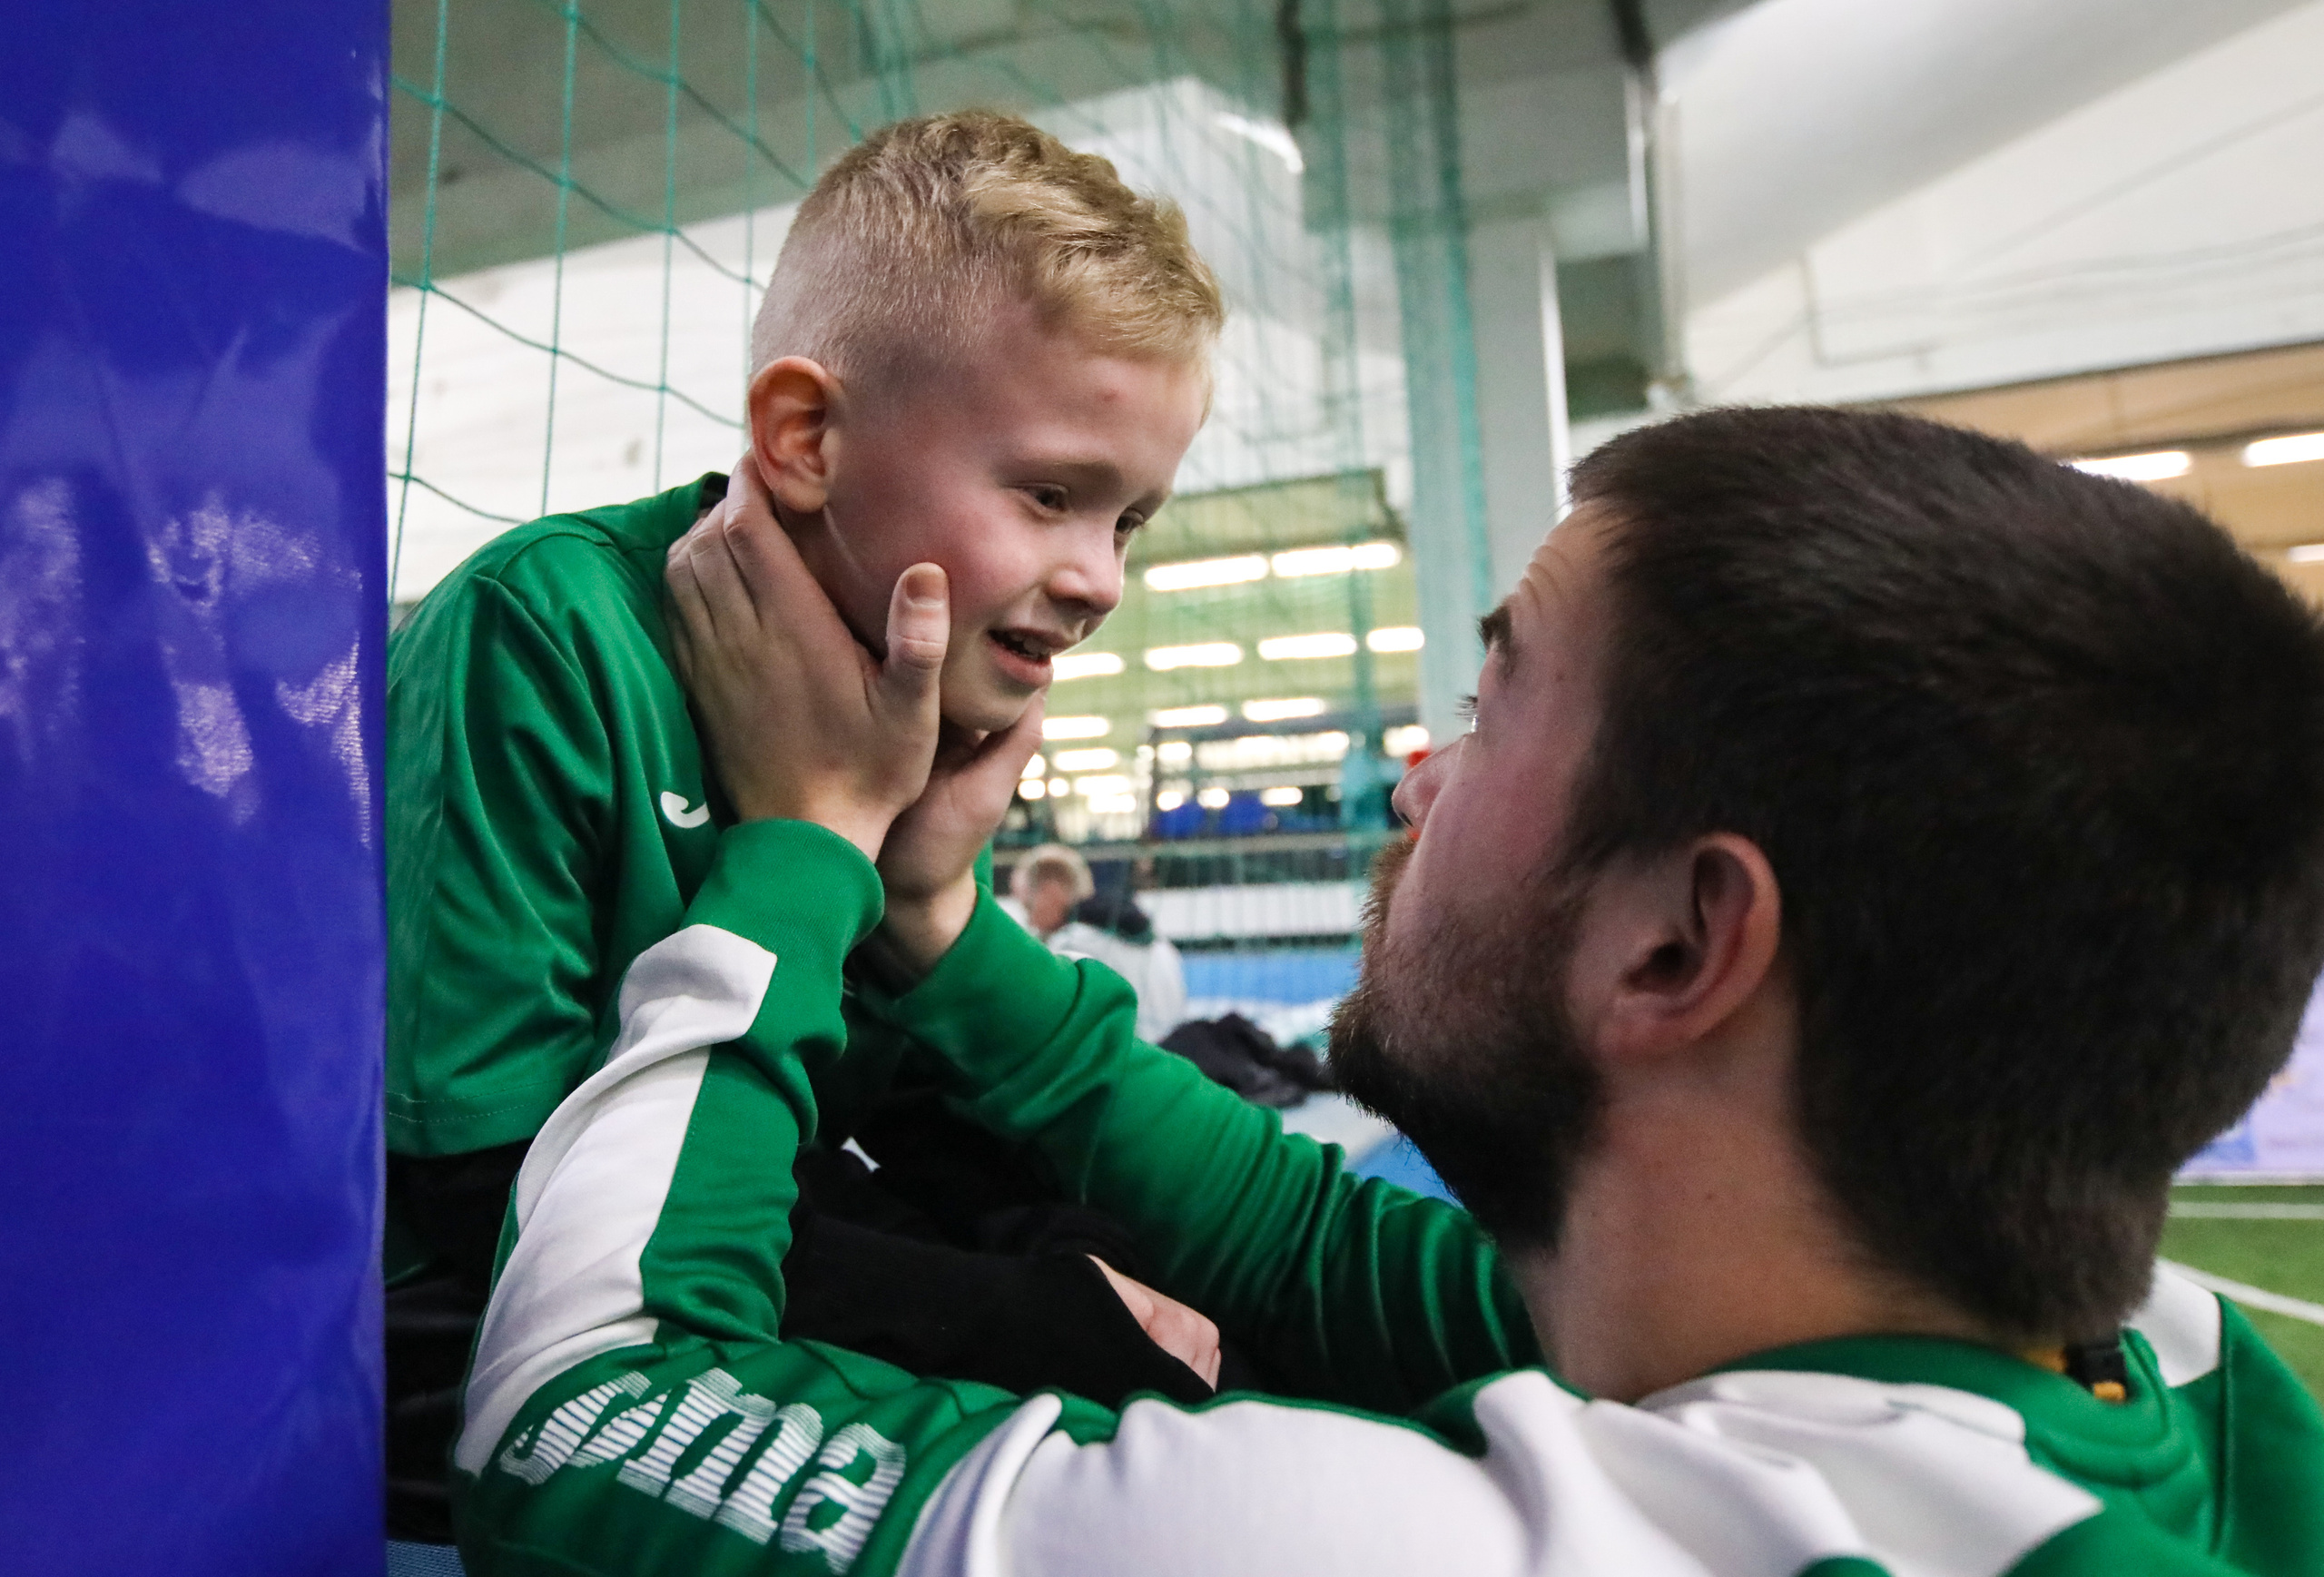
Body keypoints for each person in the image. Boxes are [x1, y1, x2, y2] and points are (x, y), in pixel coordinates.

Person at [451, 407, 2324, 1576]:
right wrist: (931, 910)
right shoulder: (2156, 1362)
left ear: (1675, 943)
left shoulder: (1440, 1545)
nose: (1413, 774)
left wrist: (797, 846)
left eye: (1495, 699)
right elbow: (1320, 1253)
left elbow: (581, 1416)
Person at [381, 112, 1228, 1542]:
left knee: (1169, 1344)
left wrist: (1056, 1242)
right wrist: (1013, 1307)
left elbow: (877, 1086)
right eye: (1049, 495)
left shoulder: (919, 694)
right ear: (807, 437)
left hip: (751, 1227)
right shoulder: (548, 632)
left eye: (1129, 520)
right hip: (463, 1299)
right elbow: (473, 1182)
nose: (1096, 580)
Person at [1011, 843, 1188, 1042]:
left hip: (1127, 1064)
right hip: (1169, 1059)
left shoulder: (1071, 945)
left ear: (1051, 892)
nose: (1030, 921)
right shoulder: (1154, 937)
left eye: (1028, 906)